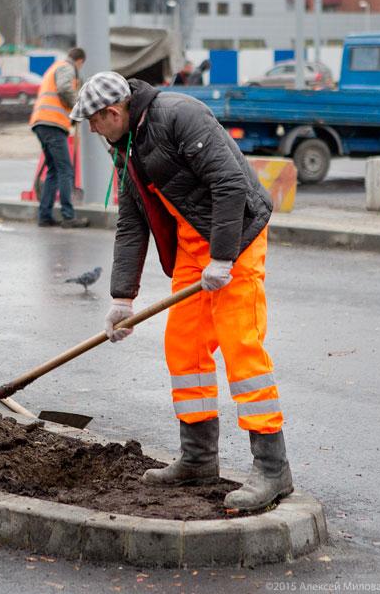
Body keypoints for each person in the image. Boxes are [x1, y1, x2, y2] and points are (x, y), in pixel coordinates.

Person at [69, 71, 292, 512]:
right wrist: (121, 299)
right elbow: (132, 221)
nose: (91, 130)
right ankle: (198, 458)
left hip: (237, 238)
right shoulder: (126, 145)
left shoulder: (179, 116)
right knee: (184, 348)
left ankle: (272, 468)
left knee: (241, 348)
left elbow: (230, 184)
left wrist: (224, 257)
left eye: (93, 122)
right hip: (194, 246)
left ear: (112, 112)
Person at [29, 48, 90, 228]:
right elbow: (64, 89)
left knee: (54, 170)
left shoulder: (55, 67)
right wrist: (78, 107)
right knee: (65, 170)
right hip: (52, 124)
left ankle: (45, 215)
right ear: (79, 61)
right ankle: (68, 216)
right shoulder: (67, 68)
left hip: (42, 122)